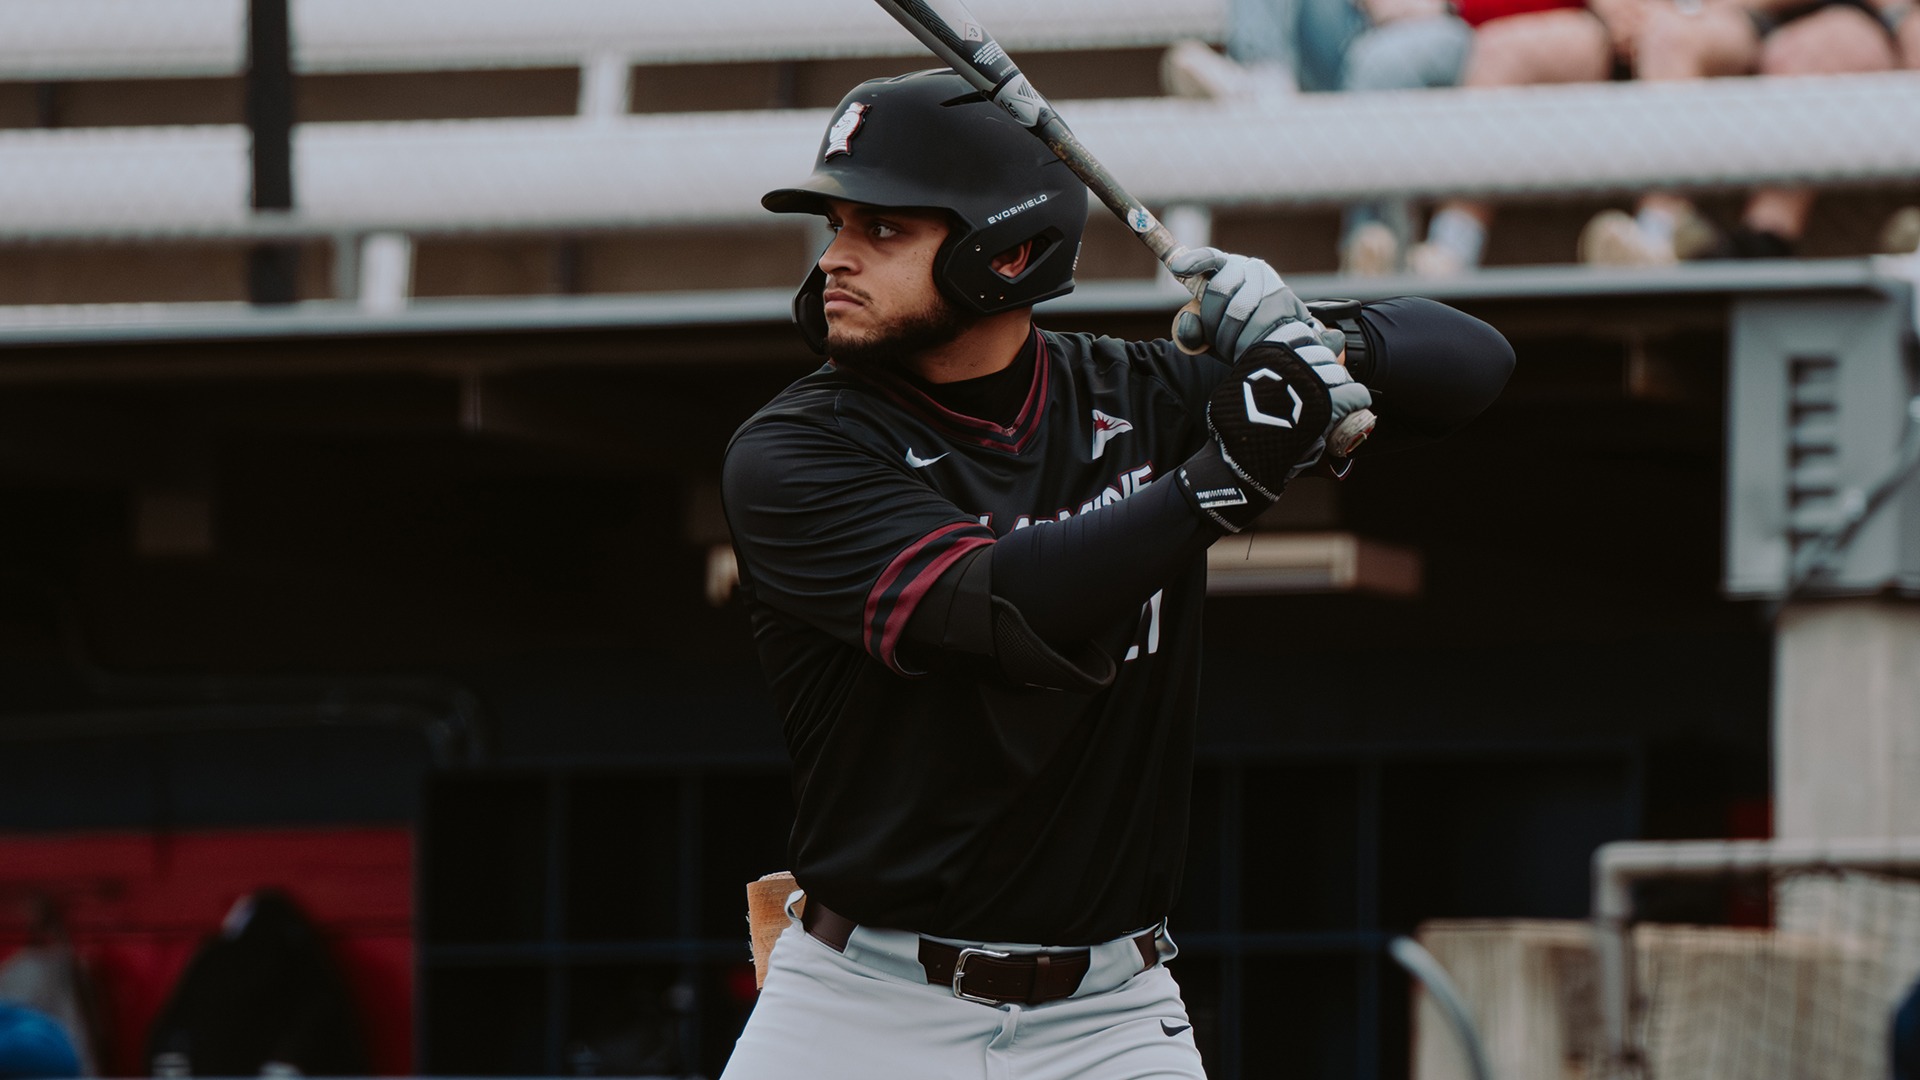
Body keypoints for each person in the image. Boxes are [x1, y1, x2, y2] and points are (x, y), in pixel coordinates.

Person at [718, 68, 1513, 1079]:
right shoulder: (796, 451)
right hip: (862, 1007)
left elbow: (1474, 368)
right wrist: (1224, 476)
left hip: (1111, 1017)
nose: (835, 259)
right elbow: (1009, 607)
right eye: (838, 225)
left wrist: (1316, 337)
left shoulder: (1136, 391)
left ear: (1002, 252)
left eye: (882, 229)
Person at [1577, 0, 1908, 266]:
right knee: (1667, 35)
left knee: (1817, 48)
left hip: (1837, 15)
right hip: (1725, 17)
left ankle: (1763, 242)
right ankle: (1657, 236)